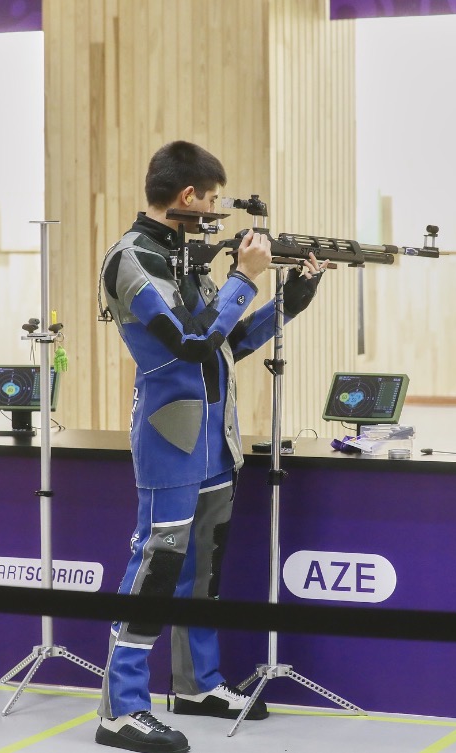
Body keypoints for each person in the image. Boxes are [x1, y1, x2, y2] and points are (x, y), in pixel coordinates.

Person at [94, 140, 325, 753]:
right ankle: (121, 708)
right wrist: (244, 279)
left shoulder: (183, 258)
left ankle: (197, 685)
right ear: (188, 195)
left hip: (216, 438)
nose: (218, 209)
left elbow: (228, 344)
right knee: (156, 567)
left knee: (202, 569)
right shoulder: (132, 259)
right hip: (171, 436)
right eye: (213, 198)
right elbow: (191, 342)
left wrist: (291, 298)